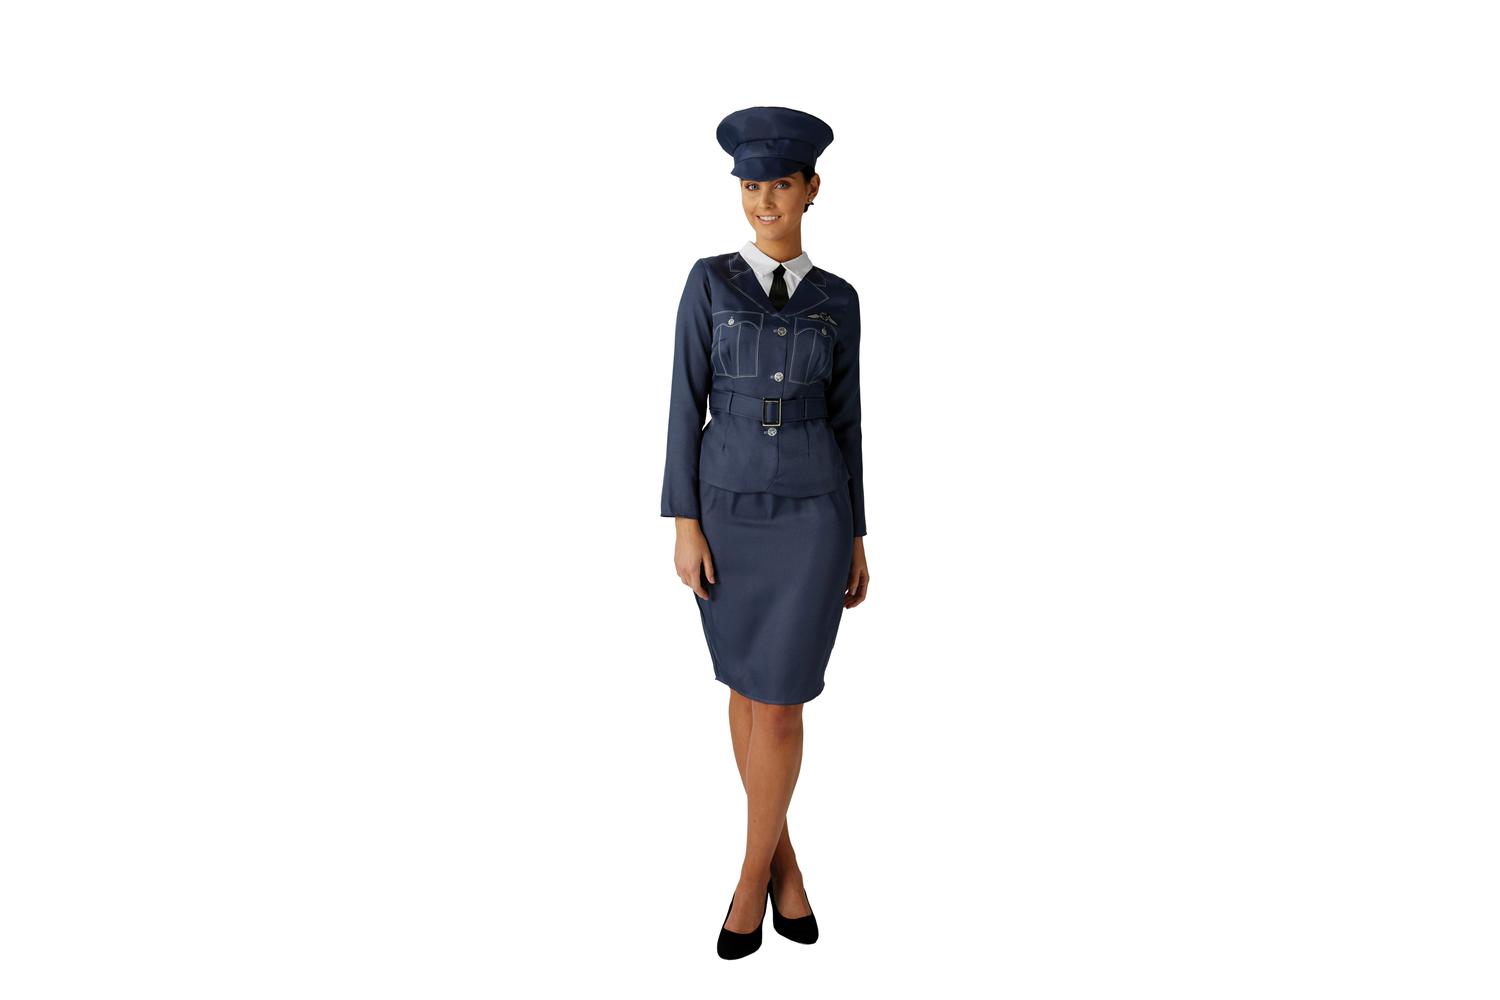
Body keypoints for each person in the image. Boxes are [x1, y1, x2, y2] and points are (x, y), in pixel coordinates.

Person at [659, 105, 870, 960]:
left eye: (780, 184)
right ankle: (784, 867)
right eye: (751, 186)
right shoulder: (709, 282)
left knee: (780, 703)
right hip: (726, 512)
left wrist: (857, 535)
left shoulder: (838, 299)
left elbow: (850, 420)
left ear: (812, 188)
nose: (764, 202)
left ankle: (748, 884)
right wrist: (684, 522)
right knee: (747, 691)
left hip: (815, 517)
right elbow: (684, 403)